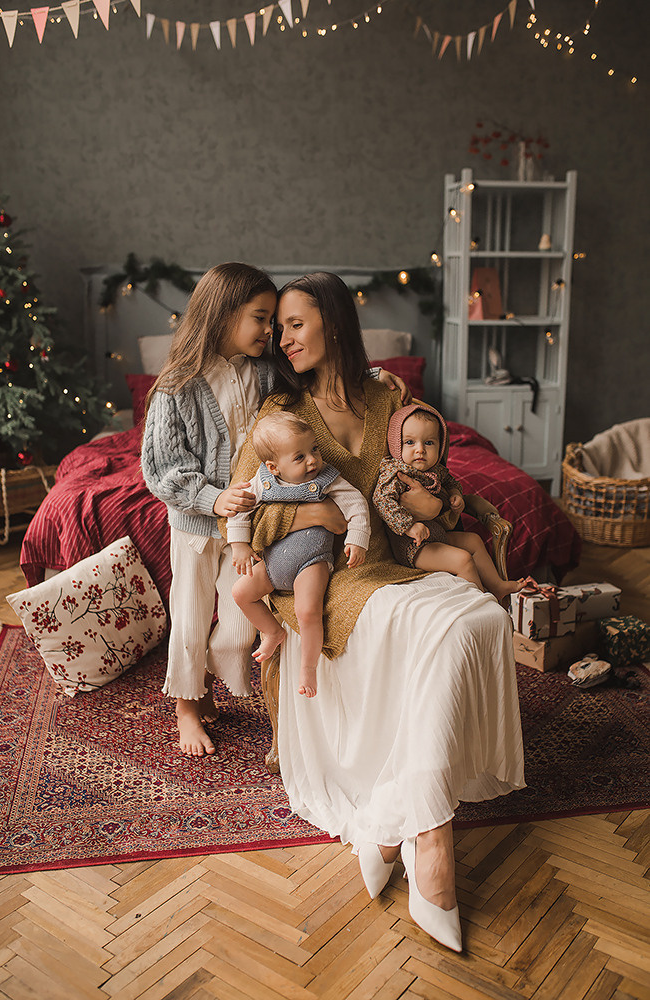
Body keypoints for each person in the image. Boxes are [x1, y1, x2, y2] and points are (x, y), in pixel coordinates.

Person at [223, 272, 525, 953]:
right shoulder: (279, 410)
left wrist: (446, 510)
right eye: (279, 328)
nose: (283, 337)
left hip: (397, 561)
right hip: (324, 577)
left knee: (477, 618)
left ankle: (392, 822)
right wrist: (323, 514)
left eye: (294, 323)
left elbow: (428, 463)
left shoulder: (385, 394)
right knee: (435, 623)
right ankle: (433, 840)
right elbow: (242, 509)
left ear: (331, 323)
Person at [142, 262, 408, 758]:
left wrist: (372, 375)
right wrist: (211, 498)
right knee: (191, 613)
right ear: (223, 315)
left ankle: (214, 671)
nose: (272, 333)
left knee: (241, 619)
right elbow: (161, 469)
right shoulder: (177, 386)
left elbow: (324, 373)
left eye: (279, 323)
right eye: (263, 319)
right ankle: (187, 705)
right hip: (200, 526)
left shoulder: (265, 371)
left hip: (255, 523)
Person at [228, 411, 370, 698]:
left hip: (311, 561)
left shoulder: (326, 479)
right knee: (241, 593)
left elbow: (357, 504)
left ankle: (308, 668)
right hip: (271, 565)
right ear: (274, 467)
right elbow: (240, 510)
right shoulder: (262, 482)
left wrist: (358, 539)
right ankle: (272, 632)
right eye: (299, 457)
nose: (313, 460)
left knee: (308, 612)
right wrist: (239, 545)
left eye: (314, 449)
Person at [374, 402, 525, 603]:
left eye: (429, 443)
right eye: (410, 442)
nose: (420, 450)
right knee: (463, 560)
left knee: (473, 540)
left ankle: (497, 586)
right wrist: (409, 526)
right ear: (396, 445)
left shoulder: (436, 469)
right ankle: (482, 605)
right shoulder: (396, 474)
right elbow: (381, 500)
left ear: (441, 445)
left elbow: (450, 481)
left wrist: (455, 494)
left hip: (436, 534)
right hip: (413, 546)